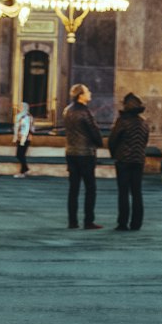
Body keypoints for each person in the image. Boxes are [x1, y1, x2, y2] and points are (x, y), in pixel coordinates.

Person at [108, 92, 149, 232]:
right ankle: (136, 223)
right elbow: (144, 141)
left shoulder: (122, 122)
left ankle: (123, 223)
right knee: (137, 192)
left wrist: (114, 154)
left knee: (123, 192)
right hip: (138, 160)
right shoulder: (143, 122)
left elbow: (113, 140)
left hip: (124, 160)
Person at [63, 83, 103, 229]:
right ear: (81, 95)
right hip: (85, 153)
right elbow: (94, 132)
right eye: (87, 91)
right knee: (90, 188)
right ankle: (88, 220)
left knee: (73, 189)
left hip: (71, 152)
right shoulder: (85, 112)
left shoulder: (67, 110)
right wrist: (99, 143)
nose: (90, 93)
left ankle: (72, 221)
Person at [13, 101, 32, 178]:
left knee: (20, 154)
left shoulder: (27, 117)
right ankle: (24, 170)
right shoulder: (19, 116)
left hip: (24, 138)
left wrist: (23, 139)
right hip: (20, 137)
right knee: (20, 154)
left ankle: (24, 170)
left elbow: (26, 129)